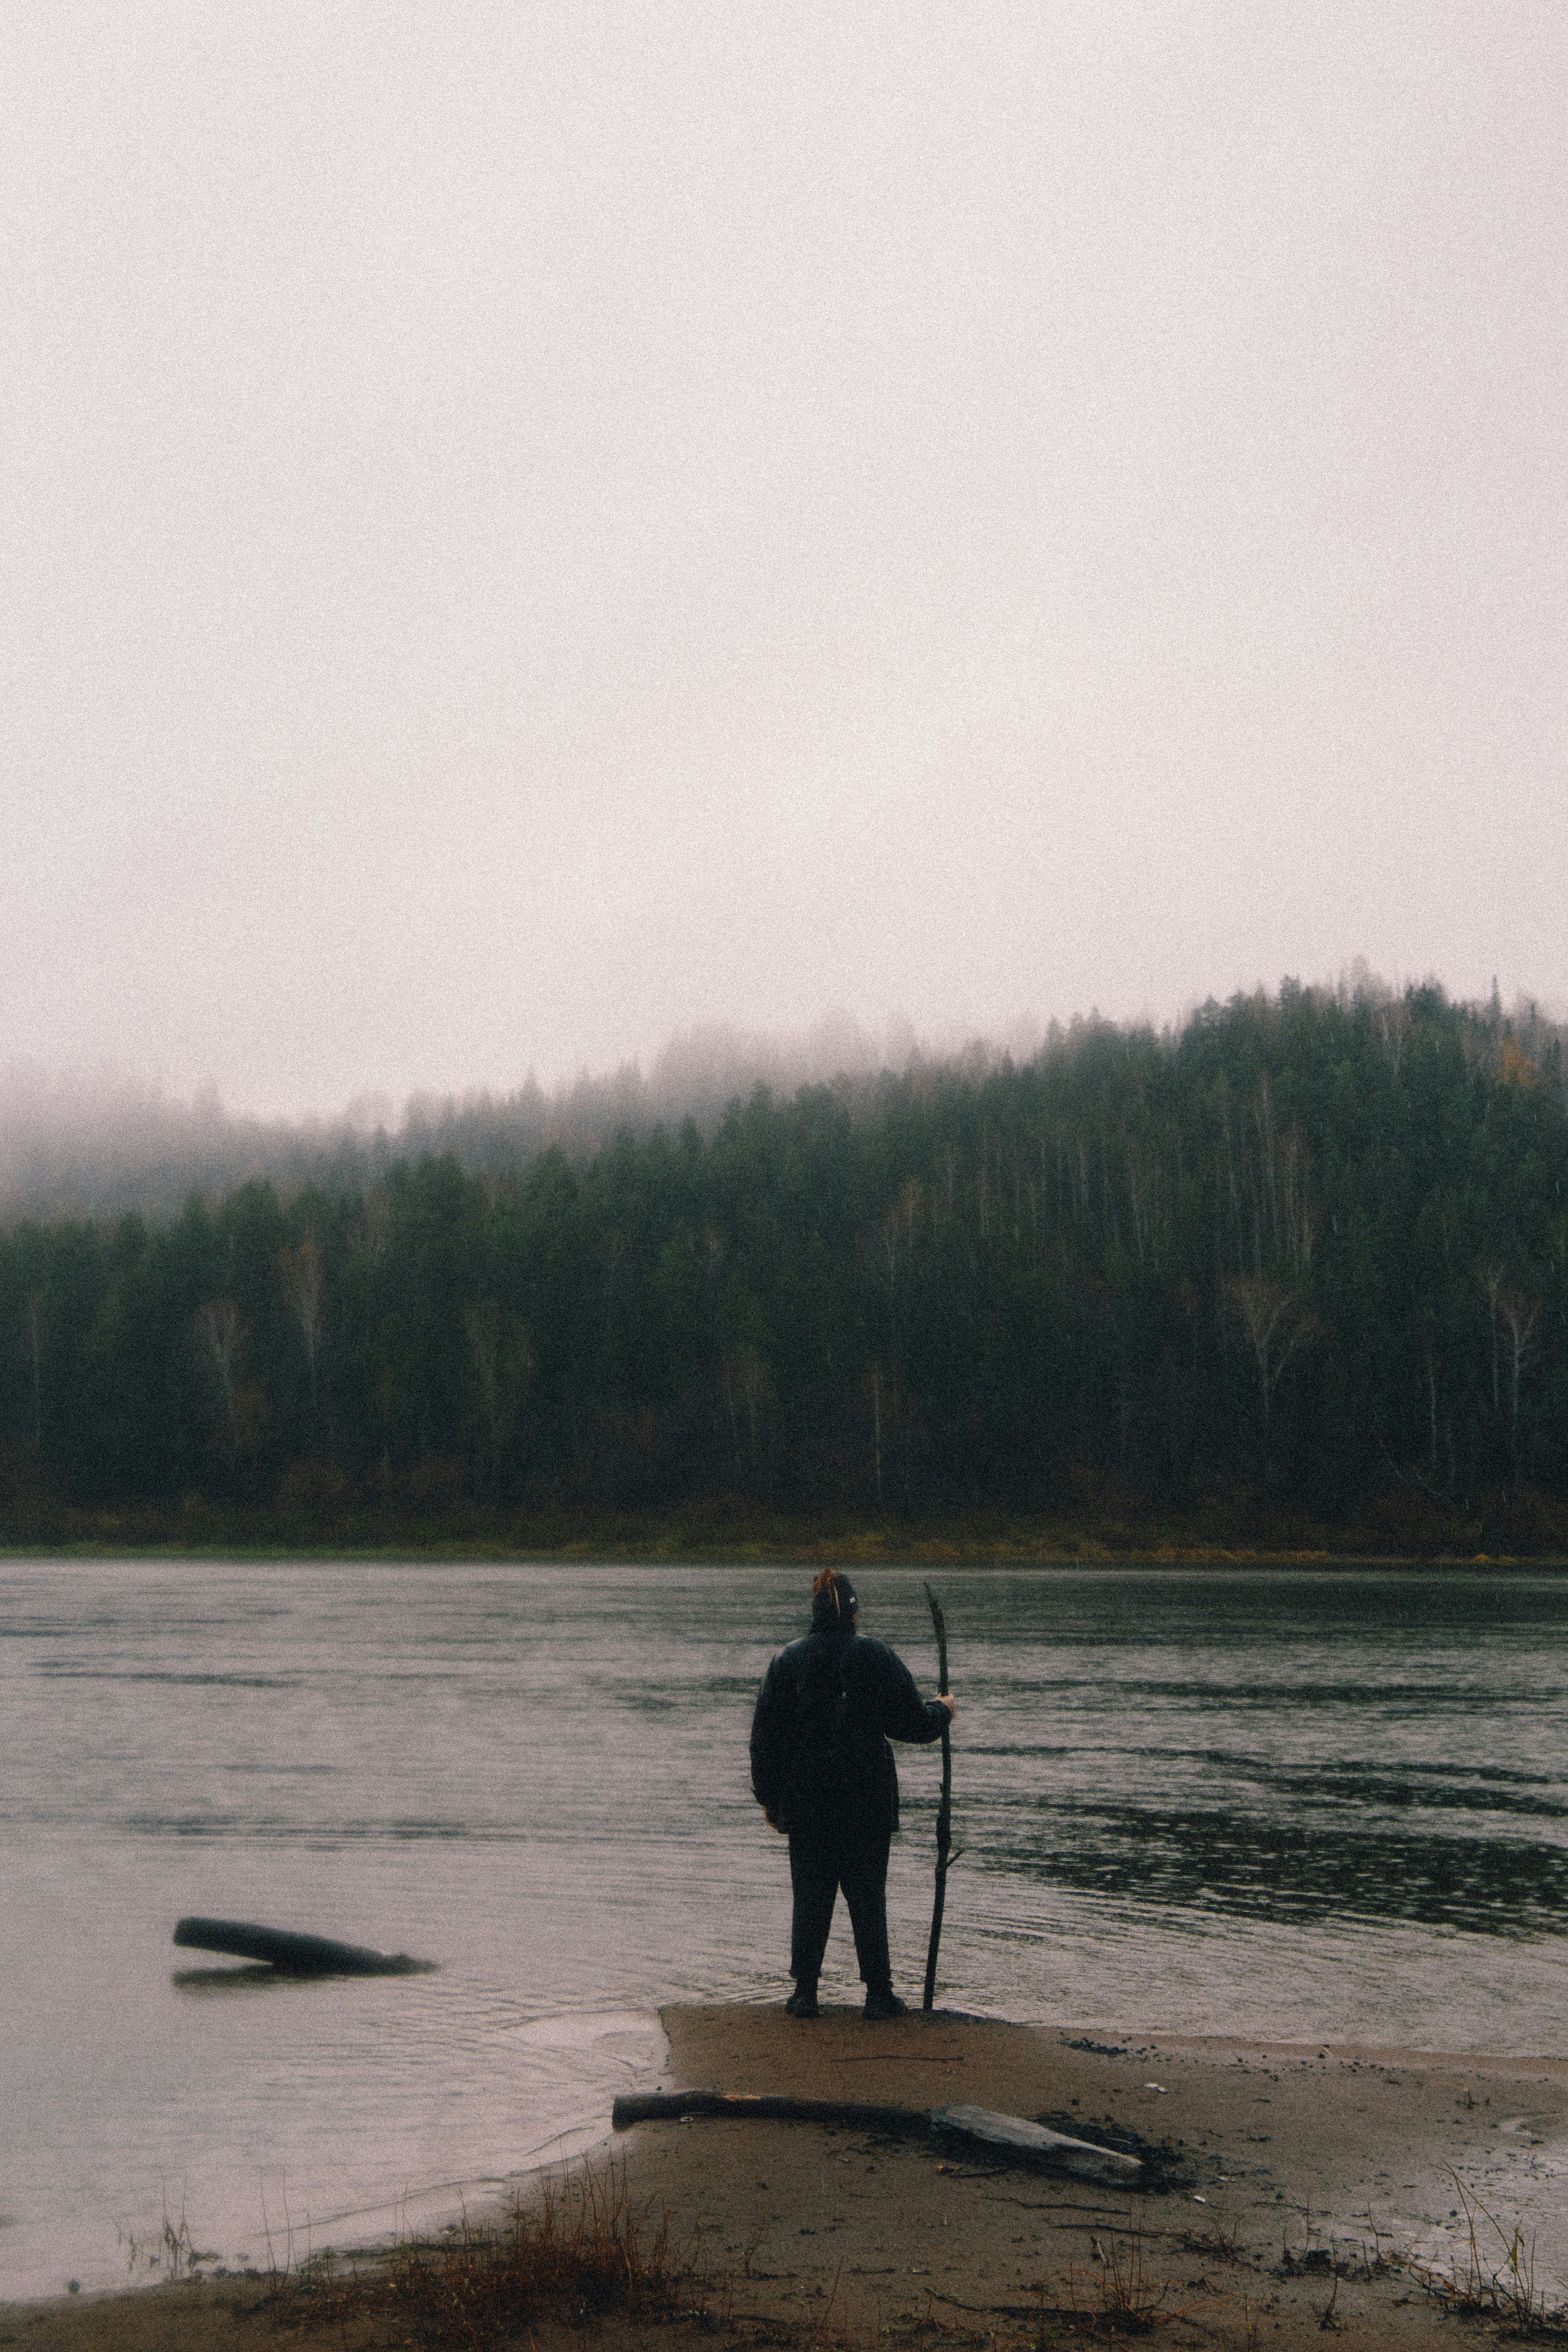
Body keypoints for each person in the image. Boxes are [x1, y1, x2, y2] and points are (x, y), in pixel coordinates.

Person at [750, 1567, 956, 2020]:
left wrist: (770, 1799)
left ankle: (805, 1994)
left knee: (811, 1895)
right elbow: (912, 1725)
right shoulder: (874, 1656)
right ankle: (878, 1995)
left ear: (815, 1612)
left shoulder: (787, 1661)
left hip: (806, 1801)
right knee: (867, 1895)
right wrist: (942, 1711)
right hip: (866, 1801)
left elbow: (765, 1738)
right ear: (855, 1613)